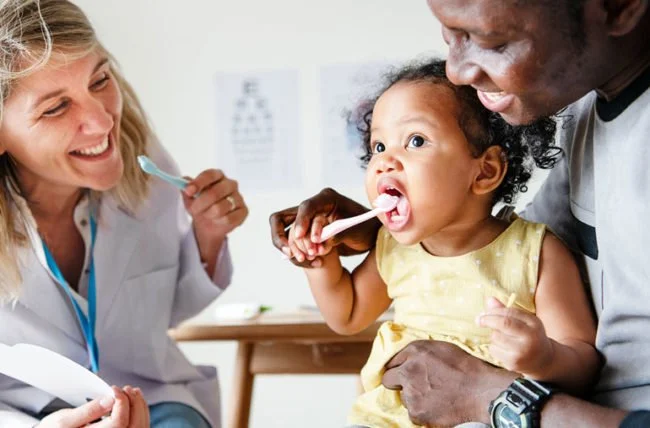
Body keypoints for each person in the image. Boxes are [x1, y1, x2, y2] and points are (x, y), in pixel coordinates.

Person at [270, 0, 650, 426]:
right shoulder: (587, 110)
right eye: (378, 147)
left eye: (492, 41)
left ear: (485, 170)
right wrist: (331, 253)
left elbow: (576, 352)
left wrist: (521, 374)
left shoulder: (536, 253)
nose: (457, 70)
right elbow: (348, 312)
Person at [0, 1, 248, 427]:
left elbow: (160, 312)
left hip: (153, 400)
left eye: (99, 80)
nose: (101, 122)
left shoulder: (148, 170)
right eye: (56, 108)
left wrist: (206, 236)